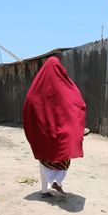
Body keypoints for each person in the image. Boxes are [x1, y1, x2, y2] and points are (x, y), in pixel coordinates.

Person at [22, 56, 86, 196]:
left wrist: (35, 127)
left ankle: (45, 189)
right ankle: (57, 181)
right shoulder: (66, 87)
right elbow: (77, 103)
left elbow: (29, 105)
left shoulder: (35, 89)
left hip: (43, 132)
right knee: (63, 154)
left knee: (44, 158)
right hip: (62, 131)